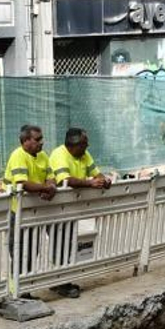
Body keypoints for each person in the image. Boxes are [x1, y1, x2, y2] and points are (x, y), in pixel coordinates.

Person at [45, 127, 113, 298]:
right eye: (84, 143)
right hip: (55, 207)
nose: (87, 146)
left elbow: (96, 173)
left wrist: (104, 180)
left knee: (66, 241)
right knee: (59, 242)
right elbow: (65, 180)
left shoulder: (83, 155)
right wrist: (90, 184)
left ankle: (62, 280)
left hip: (71, 207)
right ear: (74, 145)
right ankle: (59, 281)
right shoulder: (59, 155)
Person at [2, 125, 56, 287]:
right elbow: (21, 183)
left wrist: (50, 186)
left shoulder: (43, 156)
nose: (42, 142)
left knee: (32, 251)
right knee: (20, 251)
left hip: (34, 211)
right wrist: (46, 188)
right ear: (25, 141)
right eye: (37, 139)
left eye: (41, 139)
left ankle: (24, 288)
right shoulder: (18, 156)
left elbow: (51, 177)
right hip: (17, 211)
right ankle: (15, 290)